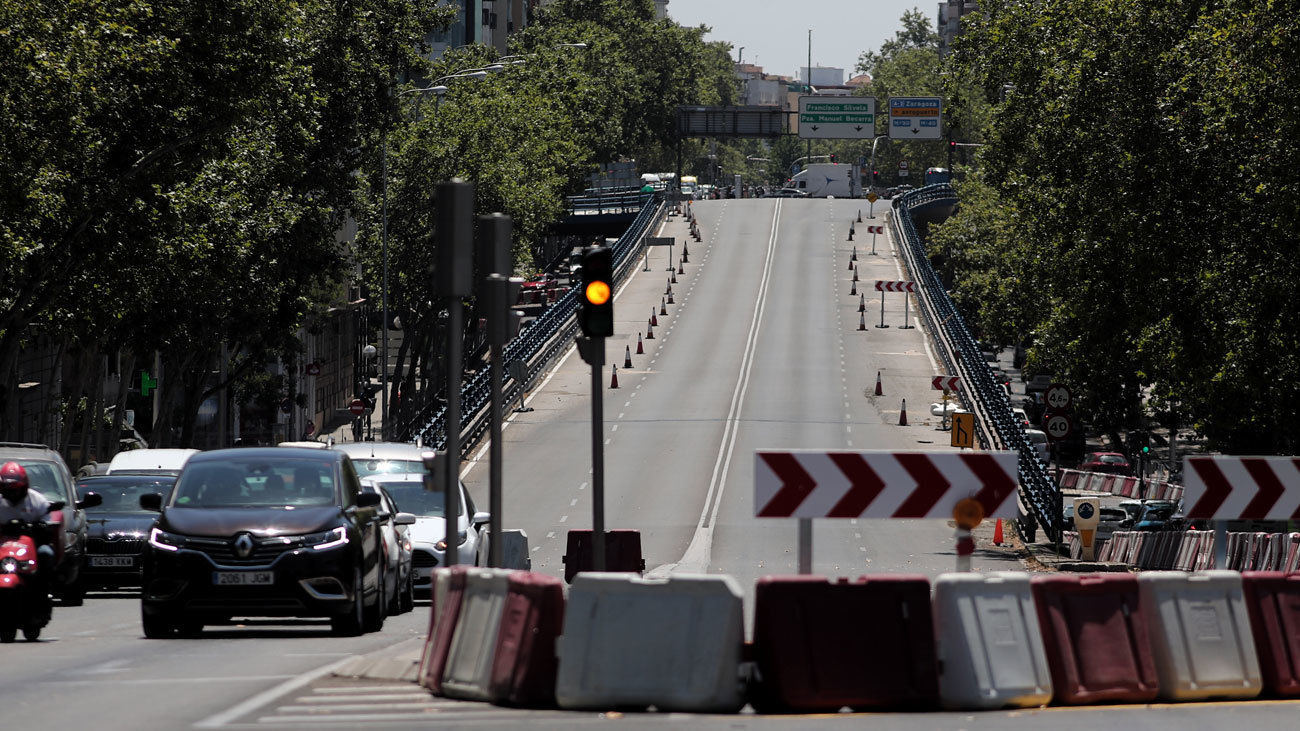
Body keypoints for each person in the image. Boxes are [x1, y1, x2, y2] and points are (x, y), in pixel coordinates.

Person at [0, 462, 56, 591]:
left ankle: (43, 590)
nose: (12, 493)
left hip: (31, 544)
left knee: (46, 553)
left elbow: (48, 523)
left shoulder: (37, 500)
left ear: (24, 487)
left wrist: (39, 527)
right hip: (3, 544)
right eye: (8, 490)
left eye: (15, 489)